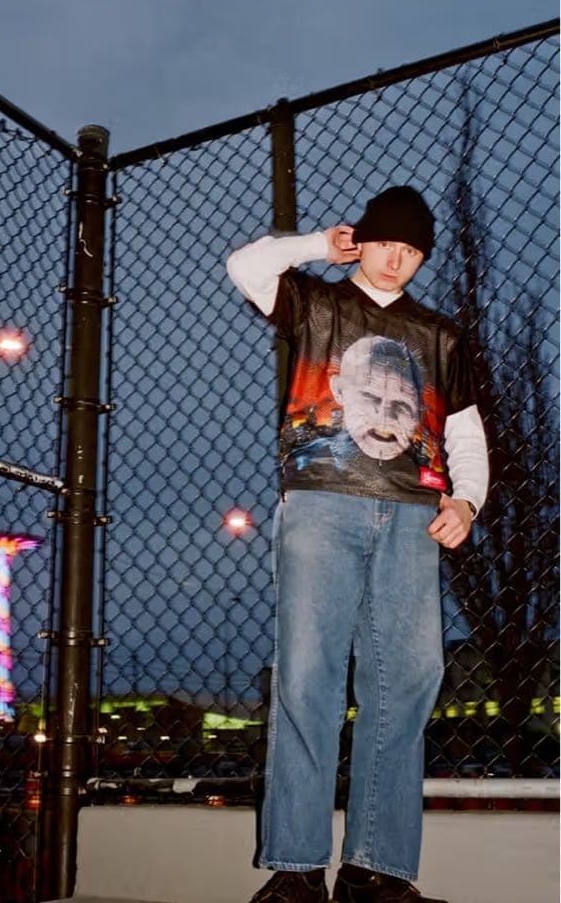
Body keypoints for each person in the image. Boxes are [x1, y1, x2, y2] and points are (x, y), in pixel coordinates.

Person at [226, 186, 489, 903]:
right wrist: (319, 244)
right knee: (308, 680)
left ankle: (375, 869)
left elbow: (464, 431)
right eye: (384, 243)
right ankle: (296, 869)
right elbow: (245, 265)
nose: (396, 258)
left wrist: (467, 499)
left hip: (411, 515)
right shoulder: (316, 304)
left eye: (411, 250)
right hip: (321, 503)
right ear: (362, 241)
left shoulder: (439, 335)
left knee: (405, 683)